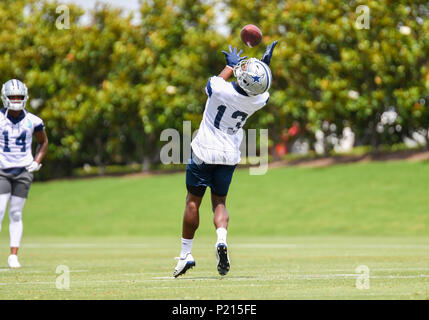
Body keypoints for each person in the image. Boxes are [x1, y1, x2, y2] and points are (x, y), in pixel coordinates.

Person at [173, 41, 278, 277]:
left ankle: (185, 255)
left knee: (193, 202)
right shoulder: (258, 101)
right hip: (229, 155)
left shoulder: (219, 88)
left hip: (204, 151)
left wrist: (230, 66)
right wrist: (264, 66)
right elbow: (262, 90)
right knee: (219, 203)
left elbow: (213, 84)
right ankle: (221, 239)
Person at [0, 79, 48, 268]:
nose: (16, 100)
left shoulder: (33, 121)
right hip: (2, 170)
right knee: (0, 210)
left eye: (19, 96)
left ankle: (13, 255)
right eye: (12, 97)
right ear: (5, 98)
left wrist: (37, 161)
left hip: (23, 171)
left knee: (16, 212)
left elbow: (43, 142)